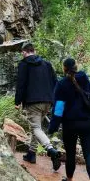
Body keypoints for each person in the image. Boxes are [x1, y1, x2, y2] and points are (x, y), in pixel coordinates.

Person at [48, 58, 90, 181]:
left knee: (70, 153)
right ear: (76, 67)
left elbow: (58, 109)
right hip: (87, 123)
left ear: (64, 69)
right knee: (89, 154)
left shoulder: (62, 84)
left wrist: (52, 128)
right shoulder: (86, 81)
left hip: (70, 124)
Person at [14, 42, 61, 170]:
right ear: (34, 50)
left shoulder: (24, 65)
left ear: (24, 52)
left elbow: (21, 84)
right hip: (48, 101)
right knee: (37, 128)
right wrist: (54, 101)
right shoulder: (47, 64)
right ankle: (31, 153)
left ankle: (51, 150)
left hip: (33, 102)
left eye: (22, 53)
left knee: (35, 128)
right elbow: (55, 83)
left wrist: (17, 101)